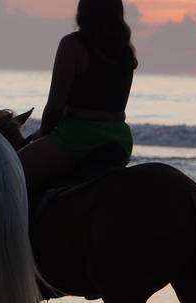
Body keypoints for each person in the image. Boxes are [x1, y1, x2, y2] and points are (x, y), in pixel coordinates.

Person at [18, 0, 137, 193]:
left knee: (7, 174)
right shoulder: (124, 51)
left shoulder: (72, 44)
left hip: (79, 137)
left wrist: (42, 133)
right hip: (120, 138)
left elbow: (56, 107)